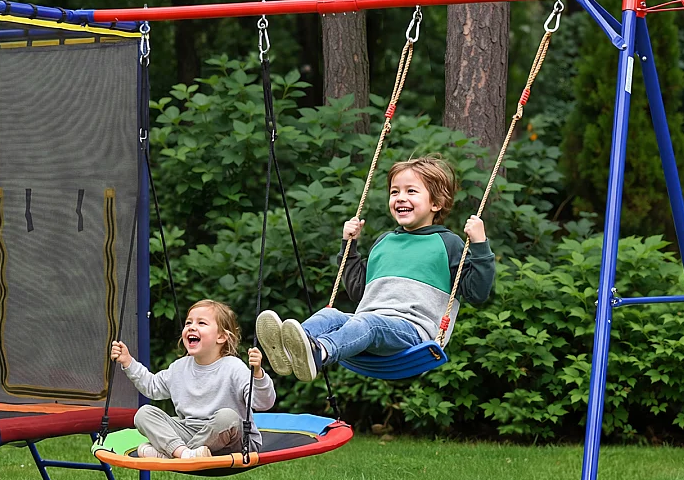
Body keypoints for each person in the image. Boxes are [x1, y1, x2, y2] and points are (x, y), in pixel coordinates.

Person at [257, 154, 495, 381]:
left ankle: (320, 352)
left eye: (411, 191)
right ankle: (291, 349)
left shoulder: (448, 243)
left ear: (437, 203)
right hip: (371, 322)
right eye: (394, 192)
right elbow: (360, 291)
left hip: (414, 333)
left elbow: (477, 292)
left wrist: (480, 245)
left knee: (367, 323)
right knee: (331, 315)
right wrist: (349, 248)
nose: (400, 197)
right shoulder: (384, 242)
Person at [110, 299, 274, 459]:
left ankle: (174, 453)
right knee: (144, 414)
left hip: (232, 441)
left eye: (201, 323)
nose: (192, 327)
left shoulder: (234, 367)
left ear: (221, 337)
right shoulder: (179, 368)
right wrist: (128, 362)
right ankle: (185, 454)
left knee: (227, 417)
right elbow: (152, 387)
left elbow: (263, 403)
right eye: (188, 323)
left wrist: (258, 374)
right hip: (190, 433)